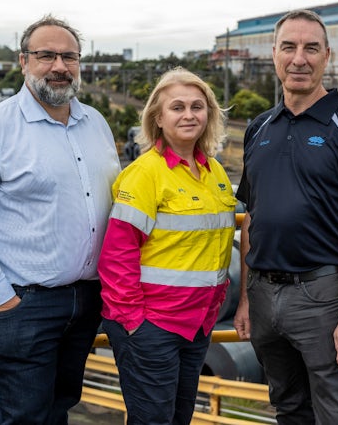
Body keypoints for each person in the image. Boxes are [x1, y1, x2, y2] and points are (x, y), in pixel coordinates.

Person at [0, 15, 121, 424]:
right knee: (25, 416)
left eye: (69, 56)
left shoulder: (96, 124)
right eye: (45, 55)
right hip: (24, 303)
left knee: (60, 407)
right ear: (23, 61)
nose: (59, 66)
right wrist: (0, 299)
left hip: (87, 300)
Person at [232, 9, 338, 424]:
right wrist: (247, 298)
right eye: (289, 47)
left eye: (310, 48)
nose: (299, 58)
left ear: (327, 56)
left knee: (337, 414)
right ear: (274, 54)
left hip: (321, 297)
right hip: (265, 296)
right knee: (288, 408)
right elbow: (252, 217)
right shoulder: (259, 127)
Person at [98, 67, 236, 424]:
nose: (189, 115)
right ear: (158, 118)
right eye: (177, 107)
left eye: (197, 106)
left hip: (197, 323)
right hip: (153, 325)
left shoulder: (215, 174)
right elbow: (117, 256)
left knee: (179, 417)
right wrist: (134, 324)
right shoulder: (146, 173)